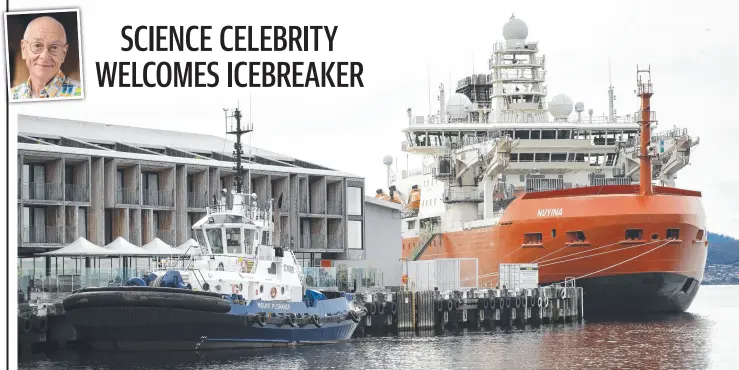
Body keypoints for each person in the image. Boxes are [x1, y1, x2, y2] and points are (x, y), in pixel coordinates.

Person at [9, 15, 82, 101]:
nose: (44, 56)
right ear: (23, 49)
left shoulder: (80, 95)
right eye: (37, 45)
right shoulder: (10, 97)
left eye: (54, 47)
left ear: (64, 53)